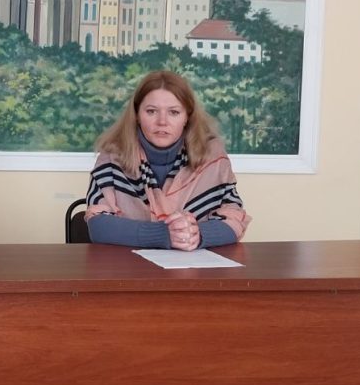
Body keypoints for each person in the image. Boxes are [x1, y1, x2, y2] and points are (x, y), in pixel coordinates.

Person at [85, 70, 250, 250]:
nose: (162, 121)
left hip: (195, 264)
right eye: (151, 111)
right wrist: (163, 234)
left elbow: (234, 216)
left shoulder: (212, 154)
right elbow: (98, 225)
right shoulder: (112, 155)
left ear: (187, 116)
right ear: (137, 115)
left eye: (173, 112)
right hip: (129, 264)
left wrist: (199, 235)